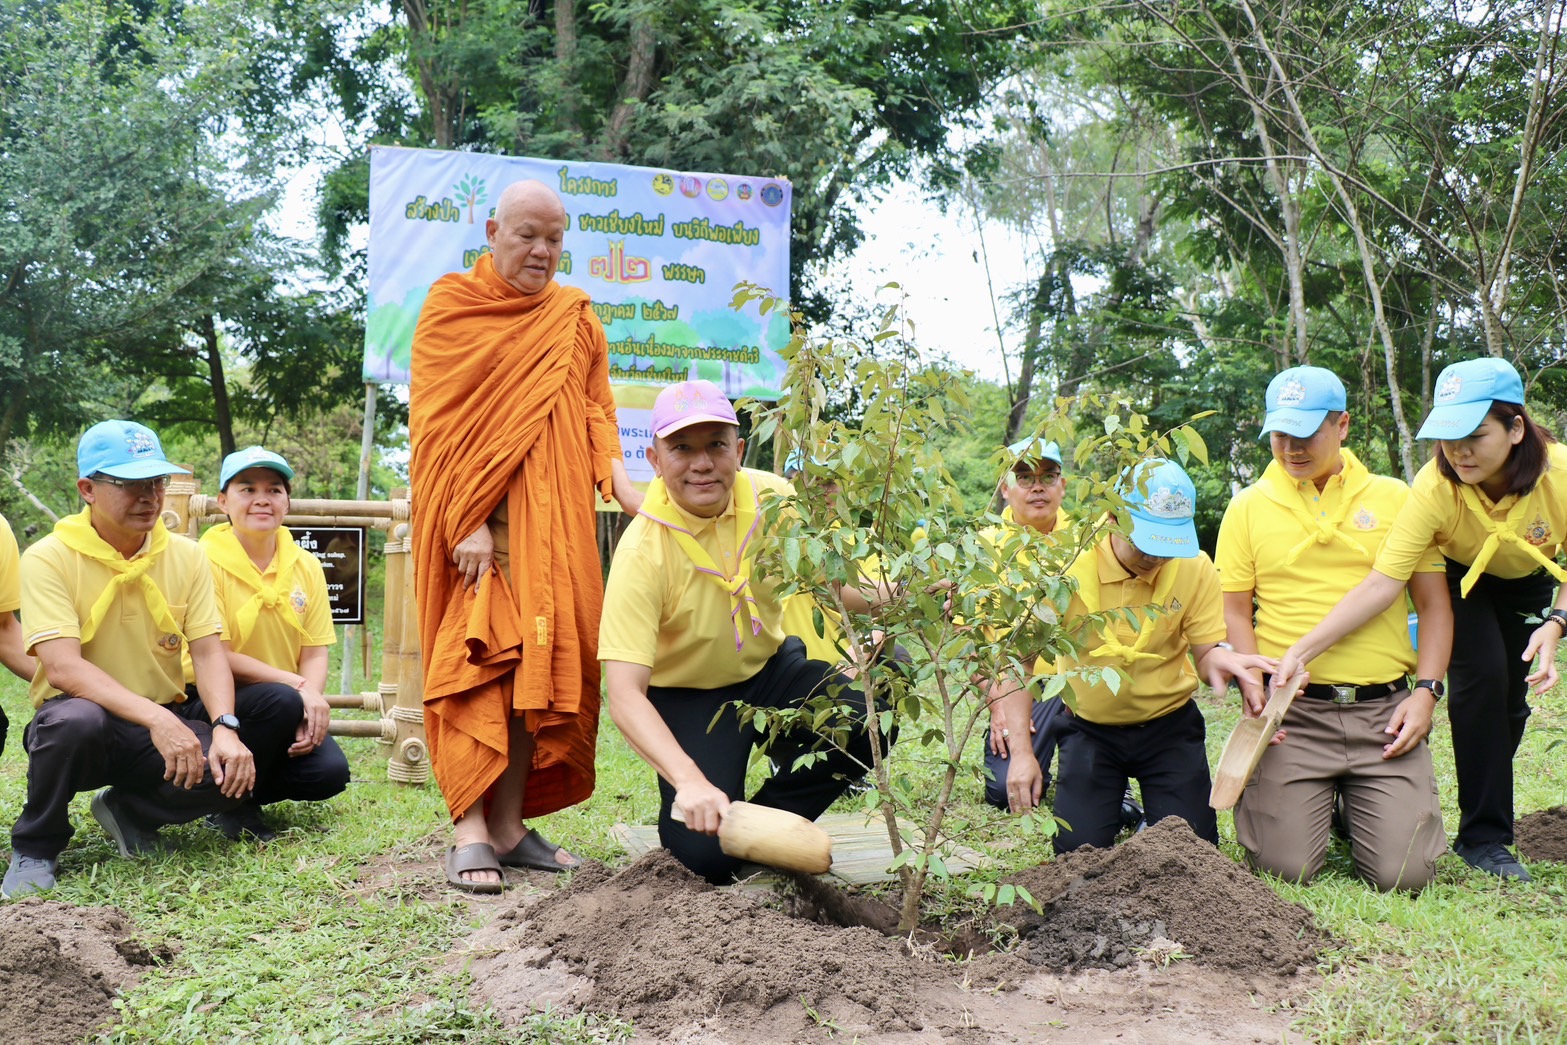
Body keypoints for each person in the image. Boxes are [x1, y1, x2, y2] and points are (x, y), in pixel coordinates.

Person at [409, 179, 641, 893]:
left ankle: (507, 826)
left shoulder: (573, 318)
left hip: (555, 524)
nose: (542, 250)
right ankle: (468, 828)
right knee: (479, 661)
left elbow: (597, 410)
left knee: (531, 676)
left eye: (555, 237)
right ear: (491, 230)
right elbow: (437, 429)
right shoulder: (452, 308)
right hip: (478, 525)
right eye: (527, 235)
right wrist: (467, 519)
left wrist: (624, 489)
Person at [1278, 357, 1567, 882]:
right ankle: (1484, 838)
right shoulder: (1435, 486)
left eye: (1474, 436)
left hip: (1530, 579)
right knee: (1482, 679)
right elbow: (1383, 583)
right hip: (1462, 579)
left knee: (1510, 705)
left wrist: (1558, 621)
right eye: (1447, 437)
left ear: (1516, 428)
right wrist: (1302, 649)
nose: (1459, 451)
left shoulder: (1560, 473)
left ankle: (1464, 808)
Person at [600, 380, 887, 883]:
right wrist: (690, 782)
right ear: (653, 458)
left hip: (770, 672)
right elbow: (624, 695)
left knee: (867, 712)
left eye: (715, 444)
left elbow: (836, 587)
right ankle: (723, 813)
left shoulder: (775, 499)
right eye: (682, 448)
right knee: (704, 859)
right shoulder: (642, 552)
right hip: (689, 697)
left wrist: (908, 594)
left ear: (739, 448)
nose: (702, 463)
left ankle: (772, 818)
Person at [2, 420, 296, 899]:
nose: (149, 497)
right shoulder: (49, 557)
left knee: (231, 771)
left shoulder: (187, 555)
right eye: (130, 485)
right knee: (72, 723)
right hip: (84, 718)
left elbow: (206, 649)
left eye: (156, 483)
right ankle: (36, 844)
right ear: (87, 489)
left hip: (165, 715)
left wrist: (224, 726)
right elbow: (62, 668)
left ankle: (131, 811)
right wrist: (157, 720)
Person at [1216, 367, 1450, 891]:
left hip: (1382, 716)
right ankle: (1322, 804)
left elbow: (1433, 606)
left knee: (1407, 875)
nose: (1291, 447)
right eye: (1280, 435)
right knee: (1285, 870)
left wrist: (1427, 693)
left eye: (1306, 434)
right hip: (1294, 716)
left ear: (1342, 425)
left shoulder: (1396, 498)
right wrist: (1253, 690)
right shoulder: (1248, 506)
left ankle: (1361, 806)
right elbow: (1235, 610)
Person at [988, 458, 1271, 853]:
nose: (1155, 560)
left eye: (1165, 547)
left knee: (1194, 851)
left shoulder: (1195, 567)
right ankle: (1121, 810)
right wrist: (1021, 754)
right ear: (1112, 518)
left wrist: (1219, 660)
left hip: (1168, 726)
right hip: (1090, 727)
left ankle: (1154, 819)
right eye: (1145, 545)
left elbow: (1205, 652)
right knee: (1077, 853)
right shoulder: (1062, 568)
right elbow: (1021, 661)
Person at [178, 446, 351, 841]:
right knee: (280, 699)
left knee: (328, 773)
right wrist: (298, 687)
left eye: (274, 489)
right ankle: (233, 808)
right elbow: (214, 652)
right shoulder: (202, 559)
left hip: (279, 700)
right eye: (246, 488)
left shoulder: (304, 563)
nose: (262, 499)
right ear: (223, 501)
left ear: (287, 501)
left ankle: (219, 791)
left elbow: (316, 649)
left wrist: (309, 704)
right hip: (208, 698)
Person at [980, 438, 1078, 812]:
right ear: (1005, 488)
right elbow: (967, 641)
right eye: (1024, 477)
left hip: (1077, 684)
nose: (1038, 486)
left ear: (1062, 485)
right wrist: (996, 704)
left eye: (1048, 476)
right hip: (1015, 686)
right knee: (1003, 793)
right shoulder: (984, 549)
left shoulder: (1087, 541)